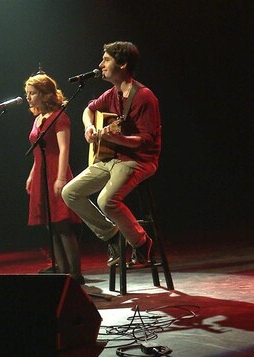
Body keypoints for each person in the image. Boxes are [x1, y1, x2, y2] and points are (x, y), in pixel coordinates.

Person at [62, 41, 161, 268]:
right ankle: (112, 236)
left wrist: (117, 138)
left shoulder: (144, 97)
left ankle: (141, 242)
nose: (100, 64)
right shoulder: (111, 94)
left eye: (106, 59)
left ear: (123, 64)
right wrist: (89, 127)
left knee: (106, 200)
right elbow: (89, 109)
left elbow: (145, 141)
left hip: (138, 160)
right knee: (70, 192)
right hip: (111, 158)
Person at [24, 72, 84, 284]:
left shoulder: (59, 117)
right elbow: (36, 151)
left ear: (45, 94)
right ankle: (63, 271)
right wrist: (32, 174)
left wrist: (60, 178)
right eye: (27, 93)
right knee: (51, 225)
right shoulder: (38, 118)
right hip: (41, 173)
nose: (28, 97)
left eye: (32, 93)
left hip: (55, 172)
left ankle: (75, 274)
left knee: (62, 224)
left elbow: (63, 149)